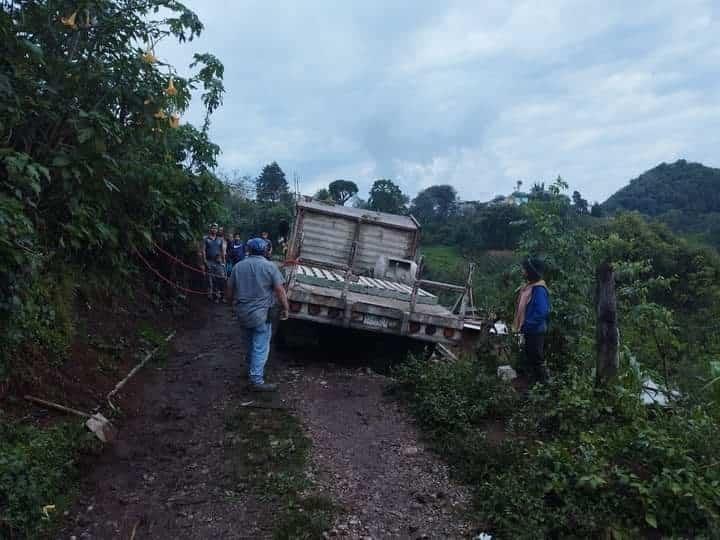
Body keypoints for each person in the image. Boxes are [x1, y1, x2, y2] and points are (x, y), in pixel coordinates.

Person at [226, 238, 290, 391]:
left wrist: (230, 305)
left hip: (242, 313)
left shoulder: (238, 266)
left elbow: (229, 289)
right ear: (265, 251)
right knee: (260, 346)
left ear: (249, 250)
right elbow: (280, 290)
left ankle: (250, 370)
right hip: (261, 315)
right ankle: (256, 380)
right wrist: (286, 308)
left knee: (248, 343)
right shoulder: (270, 267)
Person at [512, 257, 551, 387]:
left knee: (536, 359)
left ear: (530, 272)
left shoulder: (538, 289)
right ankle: (534, 386)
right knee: (530, 359)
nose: (523, 272)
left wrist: (527, 325)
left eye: (525, 269)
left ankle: (544, 387)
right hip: (530, 330)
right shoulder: (530, 287)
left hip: (535, 331)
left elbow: (541, 312)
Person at [199, 223, 226, 302]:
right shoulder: (205, 239)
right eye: (212, 228)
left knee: (221, 277)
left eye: (215, 228)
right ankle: (212, 296)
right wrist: (204, 261)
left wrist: (224, 261)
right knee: (210, 279)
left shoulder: (220, 239)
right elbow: (203, 250)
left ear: (217, 230)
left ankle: (221, 295)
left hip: (218, 261)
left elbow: (222, 251)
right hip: (209, 261)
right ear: (210, 229)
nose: (214, 230)